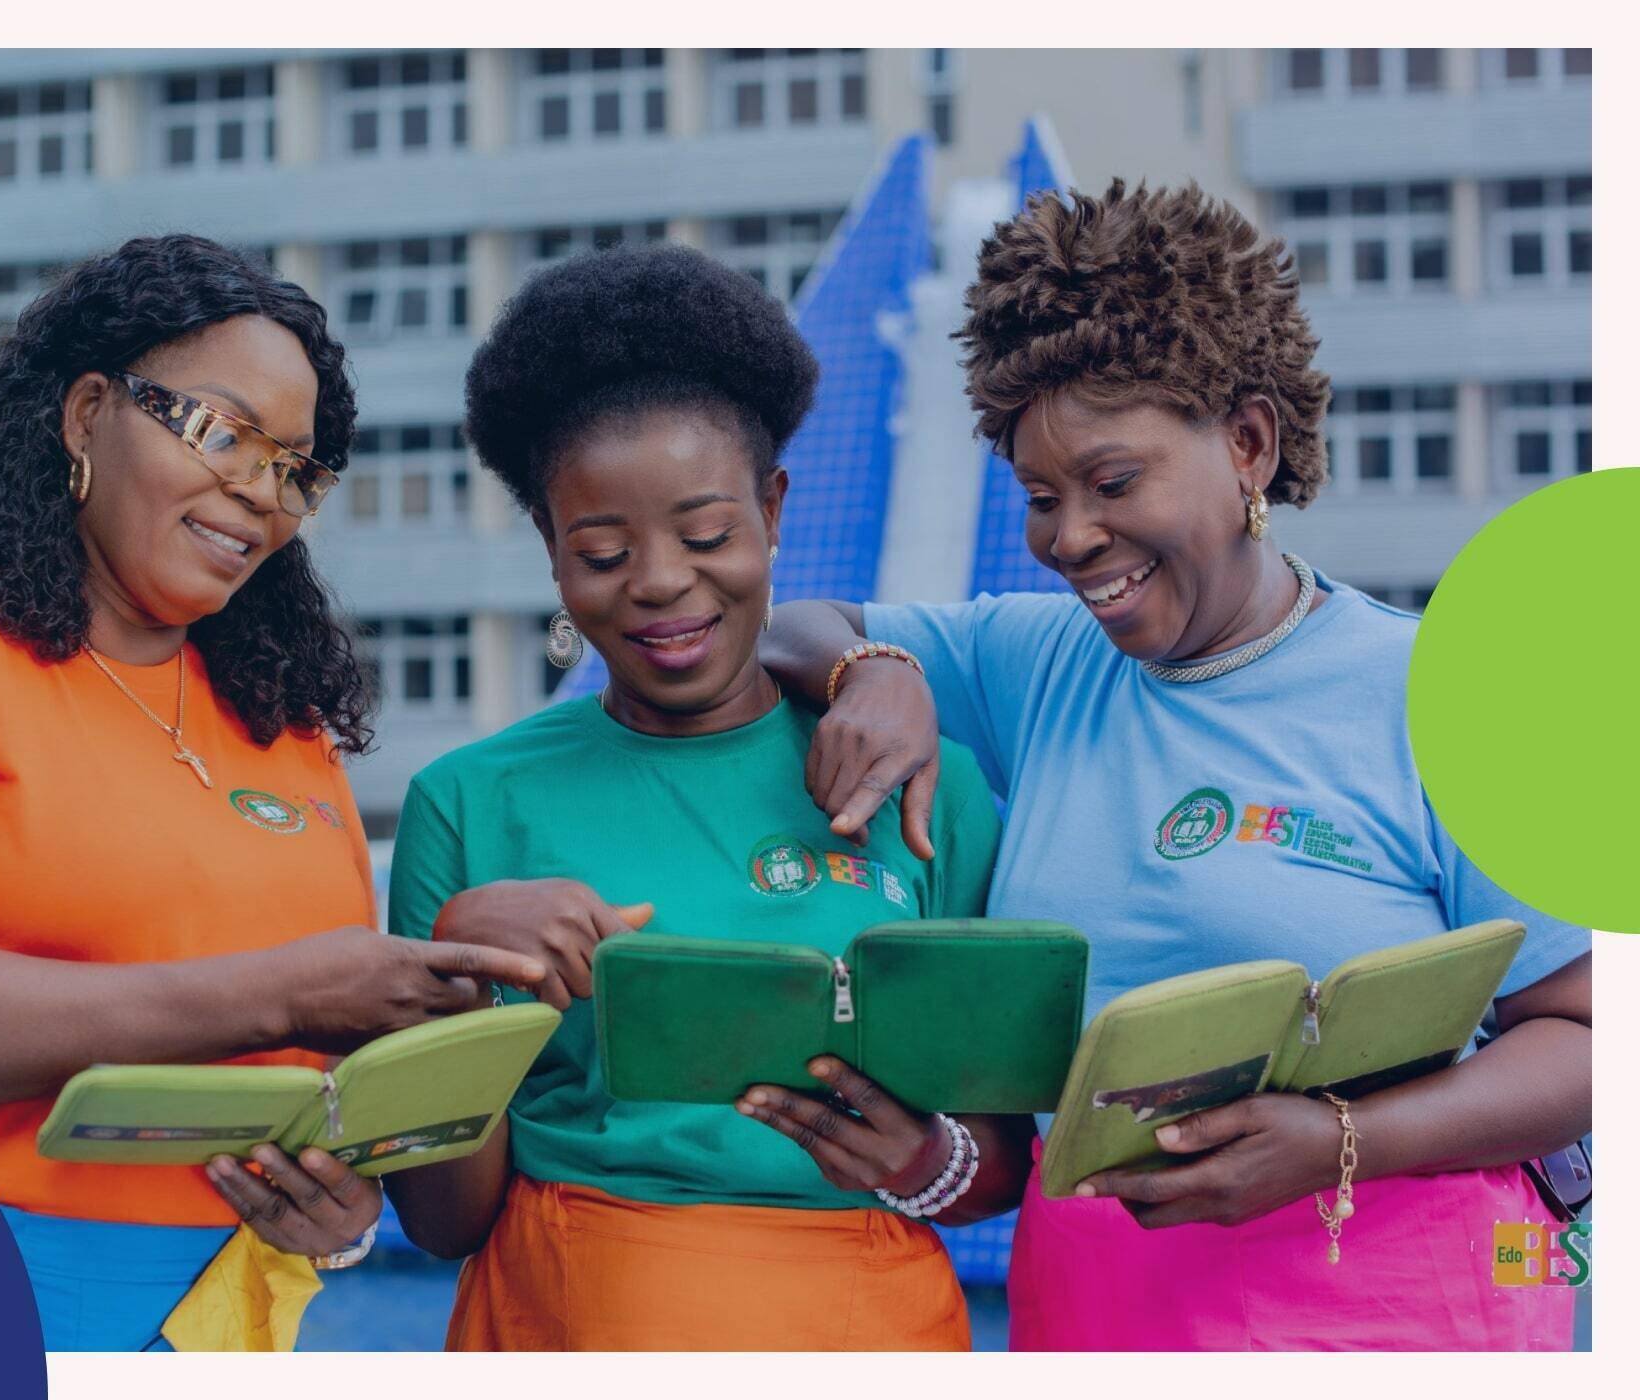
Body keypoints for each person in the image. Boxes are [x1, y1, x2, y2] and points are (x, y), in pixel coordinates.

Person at [762, 181, 1592, 1351]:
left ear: (1246, 443)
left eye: (1111, 483)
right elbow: (790, 624)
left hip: (1387, 1304)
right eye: (1039, 497)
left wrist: (1336, 1141)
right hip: (1098, 1308)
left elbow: (1590, 1041)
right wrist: (877, 665)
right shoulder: (1032, 659)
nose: (1067, 539)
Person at [0, 235, 545, 1351]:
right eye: (219, 431)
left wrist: (338, 1199)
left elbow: (330, 1070)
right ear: (85, 414)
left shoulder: (281, 719)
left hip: (221, 1315)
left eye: (294, 468)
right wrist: (280, 996)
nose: (256, 492)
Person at [382, 245, 1026, 1352]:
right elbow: (442, 1219)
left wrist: (922, 1159)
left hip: (867, 1322)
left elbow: (999, 1160)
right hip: (571, 1318)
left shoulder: (926, 787)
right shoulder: (466, 801)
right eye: (600, 548)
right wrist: (464, 992)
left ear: (772, 510)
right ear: (549, 549)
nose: (660, 580)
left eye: (706, 533)